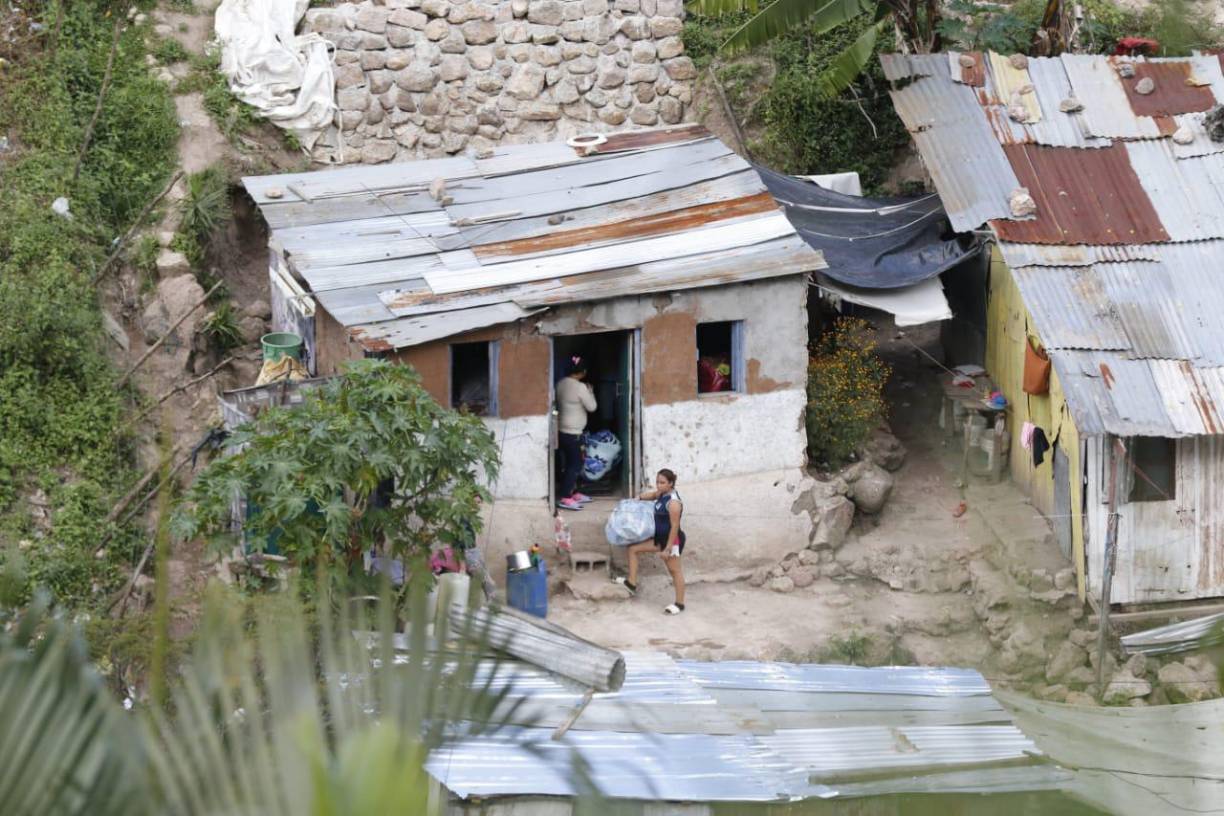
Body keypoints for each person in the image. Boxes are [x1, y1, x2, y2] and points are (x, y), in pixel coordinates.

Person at [615, 468, 686, 615]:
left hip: (671, 541)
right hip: (659, 538)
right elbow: (652, 495)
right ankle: (631, 583)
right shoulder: (662, 493)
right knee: (633, 549)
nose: (659, 485)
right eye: (657, 482)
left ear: (671, 483)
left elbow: (675, 527)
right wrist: (638, 498)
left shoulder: (674, 503)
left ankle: (679, 604)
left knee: (674, 571)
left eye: (662, 482)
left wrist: (667, 549)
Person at [555, 355, 596, 511]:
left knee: (567, 464)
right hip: (574, 433)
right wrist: (591, 392)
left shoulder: (560, 384)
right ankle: (566, 497)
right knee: (576, 464)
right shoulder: (581, 387)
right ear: (583, 372)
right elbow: (592, 407)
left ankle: (573, 492)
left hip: (561, 431)